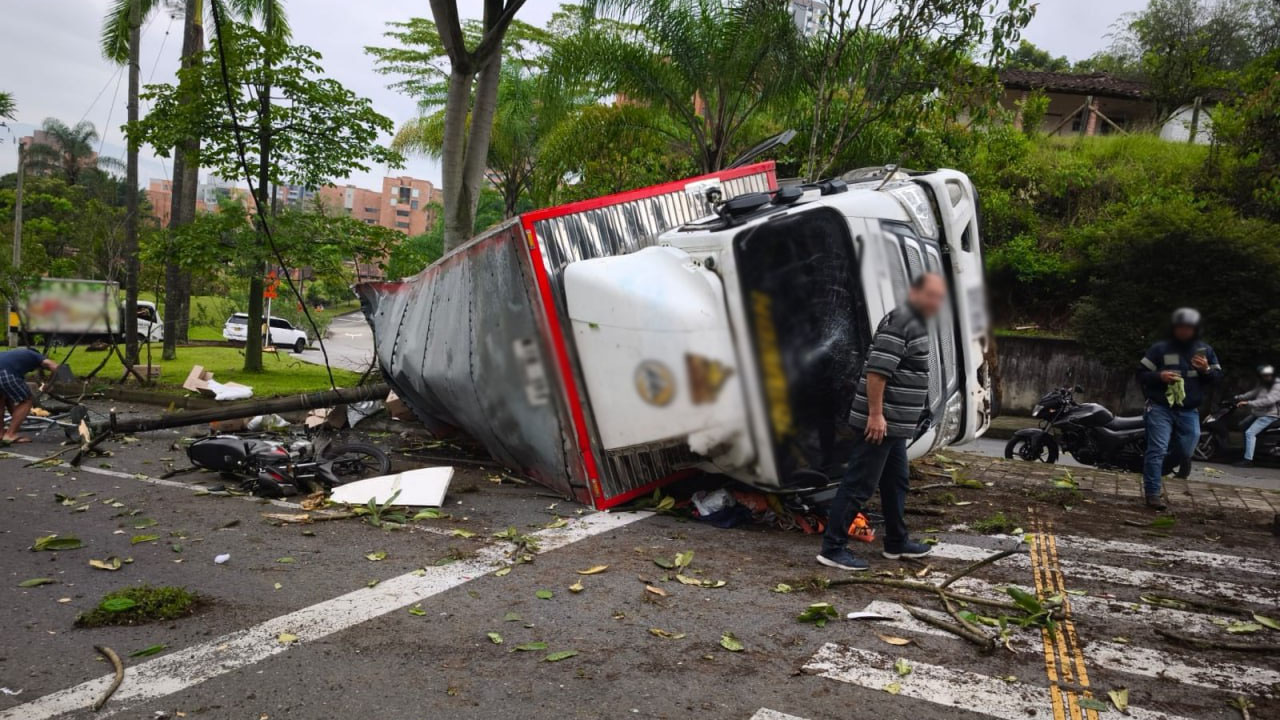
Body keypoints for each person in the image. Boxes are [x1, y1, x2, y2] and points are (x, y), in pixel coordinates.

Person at [818, 272, 946, 571]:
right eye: (932, 296)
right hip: (880, 423)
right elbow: (877, 372)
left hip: (894, 427)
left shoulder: (914, 322)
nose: (936, 303)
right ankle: (832, 548)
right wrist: (876, 415)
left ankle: (896, 541)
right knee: (859, 484)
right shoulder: (902, 321)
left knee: (896, 482)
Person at [1136, 308, 1222, 510]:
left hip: (1189, 410)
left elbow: (1218, 379)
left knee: (1186, 450)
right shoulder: (1159, 349)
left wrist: (1206, 370)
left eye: (1189, 328)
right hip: (1160, 407)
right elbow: (1140, 374)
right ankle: (1153, 493)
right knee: (1157, 449)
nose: (1185, 331)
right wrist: (1159, 376)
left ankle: (1158, 469)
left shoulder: (1205, 351)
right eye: (1181, 328)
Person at [0, 347, 59, 445]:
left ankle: (1, 434)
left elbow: (10, 397)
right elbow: (55, 366)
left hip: (4, 370)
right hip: (5, 372)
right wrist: (50, 384)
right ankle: (10, 435)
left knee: (1, 400)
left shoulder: (13, 355)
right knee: (27, 401)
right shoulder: (35, 355)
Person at [1233, 365, 1280, 468]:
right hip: (1258, 413)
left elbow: (1268, 401)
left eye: (1267, 376)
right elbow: (1253, 392)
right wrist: (1237, 397)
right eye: (1263, 376)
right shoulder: (1264, 384)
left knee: (1250, 433)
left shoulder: (1277, 386)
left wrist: (1248, 403)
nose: (1265, 378)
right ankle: (1251, 450)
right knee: (1242, 425)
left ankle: (1248, 460)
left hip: (1270, 415)